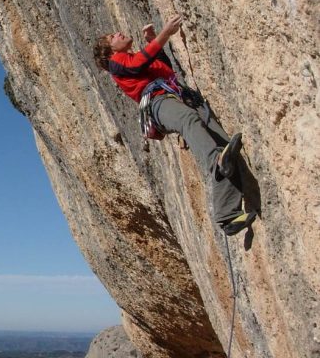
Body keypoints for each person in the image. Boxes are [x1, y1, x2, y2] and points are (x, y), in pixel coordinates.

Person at [93, 16, 257, 236]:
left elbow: (163, 68)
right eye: (113, 37)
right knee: (189, 122)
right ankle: (215, 161)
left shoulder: (132, 58)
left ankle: (227, 215)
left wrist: (154, 41)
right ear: (110, 52)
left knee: (225, 147)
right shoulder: (117, 64)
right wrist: (164, 35)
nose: (119, 34)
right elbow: (138, 65)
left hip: (179, 96)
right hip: (158, 103)